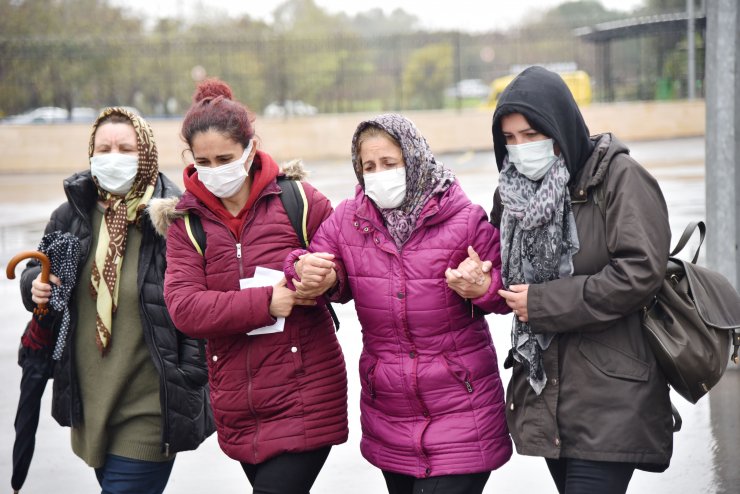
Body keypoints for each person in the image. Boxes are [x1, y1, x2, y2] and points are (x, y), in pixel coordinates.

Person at [283, 113, 513, 494]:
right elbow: (307, 263)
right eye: (368, 166)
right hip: (390, 414)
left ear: (415, 159)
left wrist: (484, 285)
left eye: (389, 163)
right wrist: (309, 273)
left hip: (462, 409)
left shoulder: (464, 219)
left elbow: (509, 289)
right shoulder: (348, 221)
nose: (378, 174)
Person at [484, 65, 674, 493]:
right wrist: (481, 278)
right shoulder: (511, 193)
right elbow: (504, 271)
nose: (520, 149)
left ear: (560, 126)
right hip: (549, 396)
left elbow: (641, 272)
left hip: (610, 394)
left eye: (532, 135)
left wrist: (545, 303)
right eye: (509, 139)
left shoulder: (619, 178)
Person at [156, 78, 348, 494]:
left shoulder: (299, 199)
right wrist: (267, 302)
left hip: (306, 393)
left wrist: (329, 278)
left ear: (250, 149)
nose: (213, 171)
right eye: (202, 162)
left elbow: (348, 268)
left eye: (224, 158)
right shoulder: (186, 224)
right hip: (238, 404)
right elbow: (185, 308)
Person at [20, 107, 214, 494]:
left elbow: (202, 299)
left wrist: (191, 375)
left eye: (126, 148)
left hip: (149, 406)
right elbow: (39, 269)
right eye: (104, 148)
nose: (113, 157)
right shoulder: (72, 214)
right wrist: (34, 286)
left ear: (146, 154)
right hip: (91, 404)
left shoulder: (174, 217)